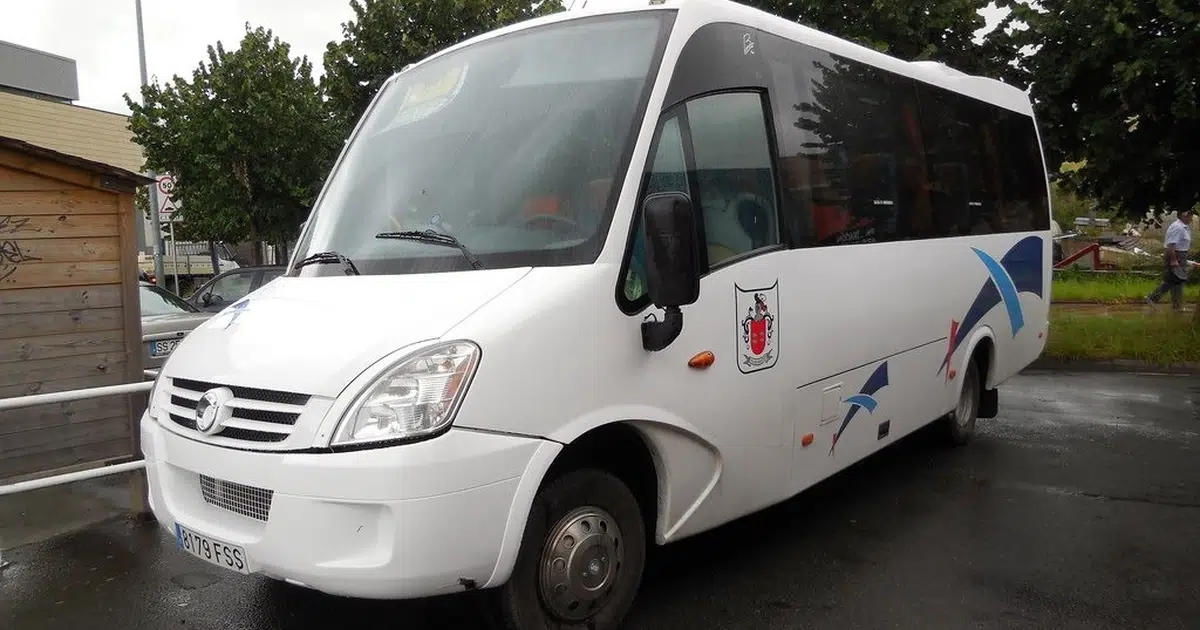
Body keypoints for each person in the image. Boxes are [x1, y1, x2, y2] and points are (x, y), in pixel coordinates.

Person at [1146, 209, 1193, 310]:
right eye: (1190, 216)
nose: (1192, 219)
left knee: (1176, 280)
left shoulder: (1183, 227)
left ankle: (1176, 305)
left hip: (1180, 255)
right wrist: (1173, 260)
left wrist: (1185, 260)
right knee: (1176, 279)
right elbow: (1171, 245)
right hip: (1175, 255)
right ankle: (1153, 298)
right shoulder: (1178, 227)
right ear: (1184, 216)